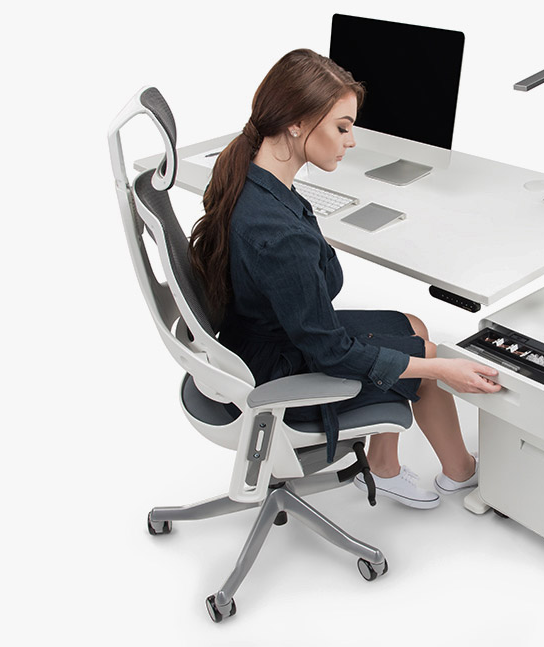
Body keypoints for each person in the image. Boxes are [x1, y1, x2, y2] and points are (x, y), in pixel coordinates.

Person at [189, 48, 501, 509]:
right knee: (429, 355)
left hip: (254, 336)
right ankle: (463, 473)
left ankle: (383, 467)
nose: (350, 141)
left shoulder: (251, 174)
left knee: (412, 324)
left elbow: (321, 284)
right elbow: (330, 350)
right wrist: (441, 369)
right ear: (296, 122)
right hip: (275, 370)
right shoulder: (279, 235)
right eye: (342, 127)